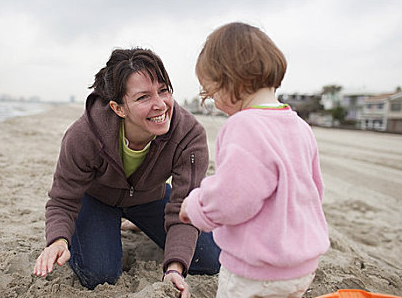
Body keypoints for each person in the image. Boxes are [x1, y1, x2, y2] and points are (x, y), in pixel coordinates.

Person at [33, 47, 220, 297]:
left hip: (150, 197)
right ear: (119, 108)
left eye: (163, 91)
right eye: (143, 97)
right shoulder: (83, 135)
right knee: (99, 276)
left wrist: (175, 268)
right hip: (97, 200)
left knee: (210, 262)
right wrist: (58, 240)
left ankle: (138, 223)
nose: (160, 105)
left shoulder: (189, 135)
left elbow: (184, 206)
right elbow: (63, 200)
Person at [179, 22, 330, 298]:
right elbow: (313, 192)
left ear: (229, 79)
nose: (214, 102)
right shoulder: (298, 125)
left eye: (211, 93)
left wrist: (196, 207)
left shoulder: (245, 125)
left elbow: (233, 197)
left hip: (257, 271)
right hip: (301, 266)